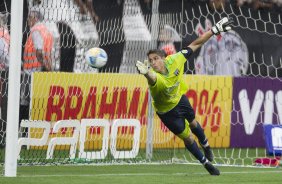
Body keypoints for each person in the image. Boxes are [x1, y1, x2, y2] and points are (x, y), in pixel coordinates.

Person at [136, 17, 233, 175]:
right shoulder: (155, 77)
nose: (153, 63)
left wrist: (214, 31)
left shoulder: (176, 59)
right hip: (167, 113)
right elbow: (152, 79)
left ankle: (206, 145)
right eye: (150, 61)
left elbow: (195, 43)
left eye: (155, 59)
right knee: (187, 138)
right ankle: (206, 163)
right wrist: (146, 73)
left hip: (180, 100)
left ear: (164, 59)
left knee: (194, 123)